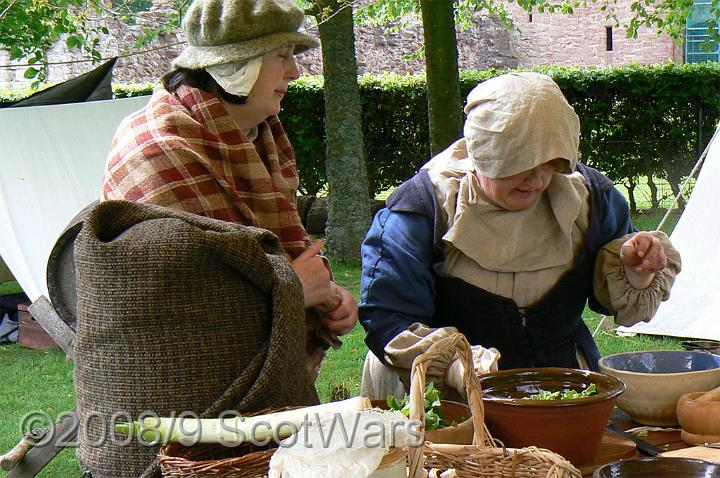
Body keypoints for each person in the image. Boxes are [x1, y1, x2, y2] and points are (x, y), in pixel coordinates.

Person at [358, 72, 682, 399]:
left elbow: (611, 301)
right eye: (520, 164)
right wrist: (459, 366)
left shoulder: (590, 200)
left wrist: (637, 271)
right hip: (441, 400)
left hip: (564, 388)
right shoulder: (424, 210)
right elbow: (388, 319)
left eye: (549, 165)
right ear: (486, 153)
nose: (537, 180)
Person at [101, 0, 357, 378]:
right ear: (235, 66)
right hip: (180, 404)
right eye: (282, 56)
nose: (295, 71)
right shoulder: (159, 151)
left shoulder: (254, 138)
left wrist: (332, 299)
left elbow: (278, 262)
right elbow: (169, 308)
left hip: (255, 393)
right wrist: (294, 289)